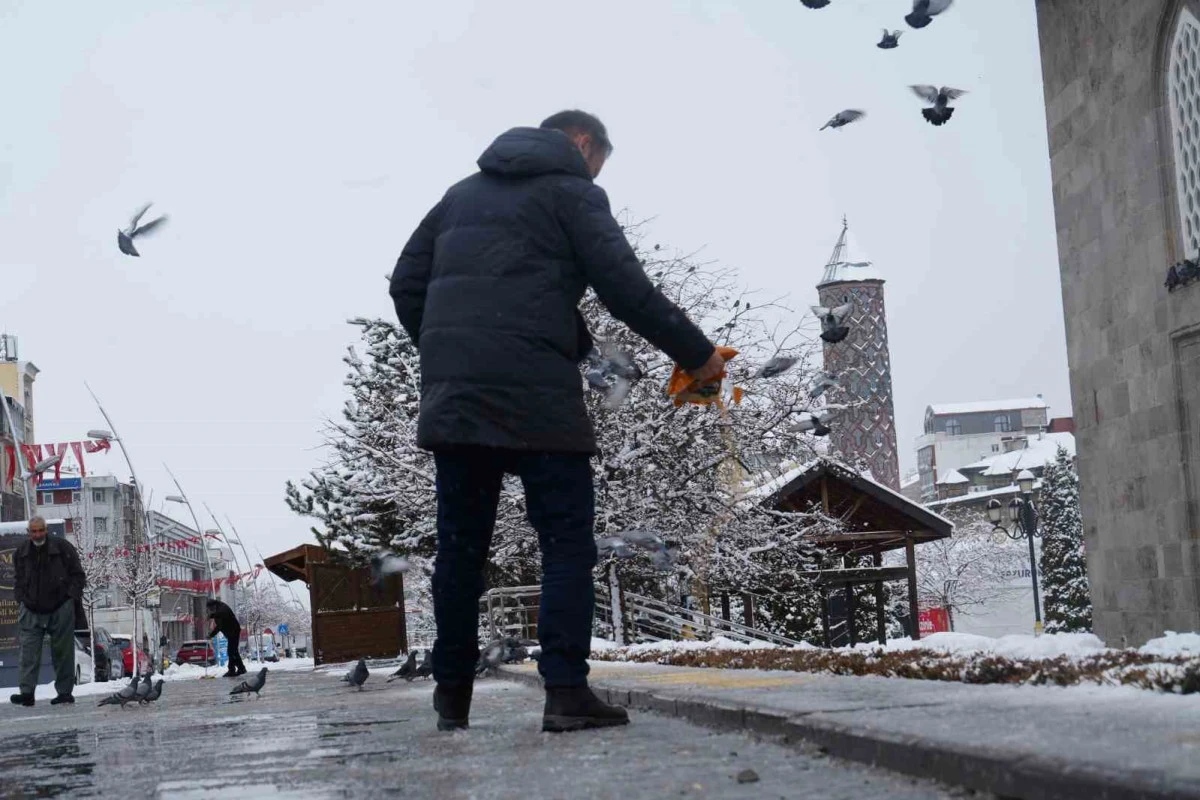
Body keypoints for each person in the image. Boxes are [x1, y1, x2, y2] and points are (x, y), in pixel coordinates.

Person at [390, 110, 724, 732]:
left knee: (461, 551)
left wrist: (452, 355)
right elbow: (627, 288)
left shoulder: (458, 196)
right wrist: (698, 356)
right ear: (581, 142)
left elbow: (407, 284)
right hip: (539, 400)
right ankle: (566, 693)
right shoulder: (574, 193)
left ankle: (451, 697)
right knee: (565, 542)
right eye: (598, 162)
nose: (596, 174)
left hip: (458, 403)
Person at [10, 515, 87, 707]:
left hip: (60, 607)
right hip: (30, 609)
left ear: (46, 530)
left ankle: (64, 693)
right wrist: (21, 599)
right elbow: (18, 580)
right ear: (28, 533)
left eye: (40, 530)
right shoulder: (20, 553)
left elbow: (78, 576)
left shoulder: (63, 548)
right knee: (28, 653)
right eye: (33, 531)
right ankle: (27, 693)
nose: (37, 534)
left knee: (63, 653)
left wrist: (70, 598)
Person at [205, 598, 246, 677]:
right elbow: (218, 615)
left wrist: (210, 635)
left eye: (210, 609)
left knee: (231, 651)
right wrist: (211, 616)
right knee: (233, 651)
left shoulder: (221, 611)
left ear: (213, 606)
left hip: (233, 631)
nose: (210, 610)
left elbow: (219, 626)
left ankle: (233, 670)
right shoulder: (220, 607)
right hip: (232, 630)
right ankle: (240, 668)